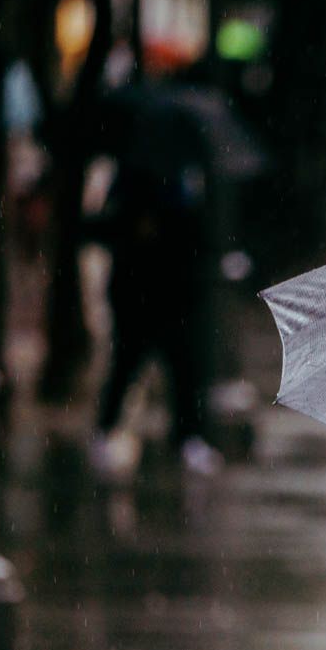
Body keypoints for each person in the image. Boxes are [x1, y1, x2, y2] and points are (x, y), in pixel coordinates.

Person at [89, 95, 222, 478]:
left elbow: (199, 232)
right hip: (140, 289)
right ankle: (108, 429)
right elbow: (110, 225)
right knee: (131, 360)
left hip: (174, 289)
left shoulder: (188, 174)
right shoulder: (133, 176)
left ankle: (186, 437)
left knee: (182, 367)